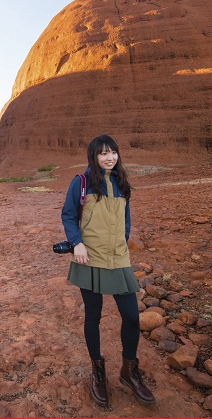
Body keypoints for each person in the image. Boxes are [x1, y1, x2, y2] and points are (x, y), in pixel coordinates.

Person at [61, 135, 155, 408]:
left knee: (132, 316)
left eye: (113, 152)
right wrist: (76, 242)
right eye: (103, 153)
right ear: (94, 156)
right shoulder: (81, 182)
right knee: (93, 317)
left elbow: (126, 220)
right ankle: (98, 372)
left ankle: (129, 370)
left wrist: (123, 242)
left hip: (118, 259)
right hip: (90, 258)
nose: (109, 157)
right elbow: (68, 215)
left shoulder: (121, 183)